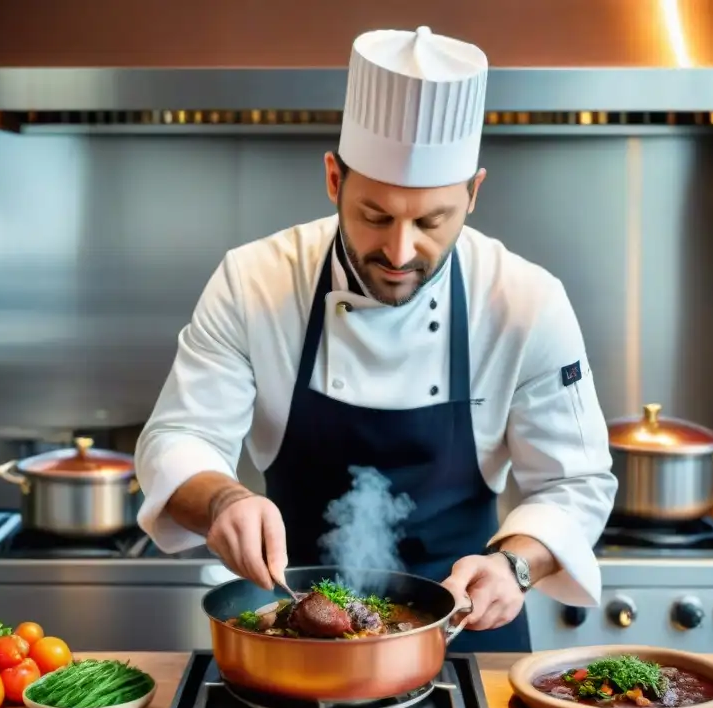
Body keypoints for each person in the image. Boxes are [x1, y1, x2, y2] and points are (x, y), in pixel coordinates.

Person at [134, 26, 616, 653]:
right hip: (289, 638)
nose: (398, 251)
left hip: (467, 635)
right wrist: (223, 500)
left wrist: (515, 566)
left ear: (473, 194)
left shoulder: (525, 302)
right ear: (334, 179)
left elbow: (574, 483)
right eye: (375, 216)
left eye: (431, 221)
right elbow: (180, 436)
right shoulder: (255, 281)